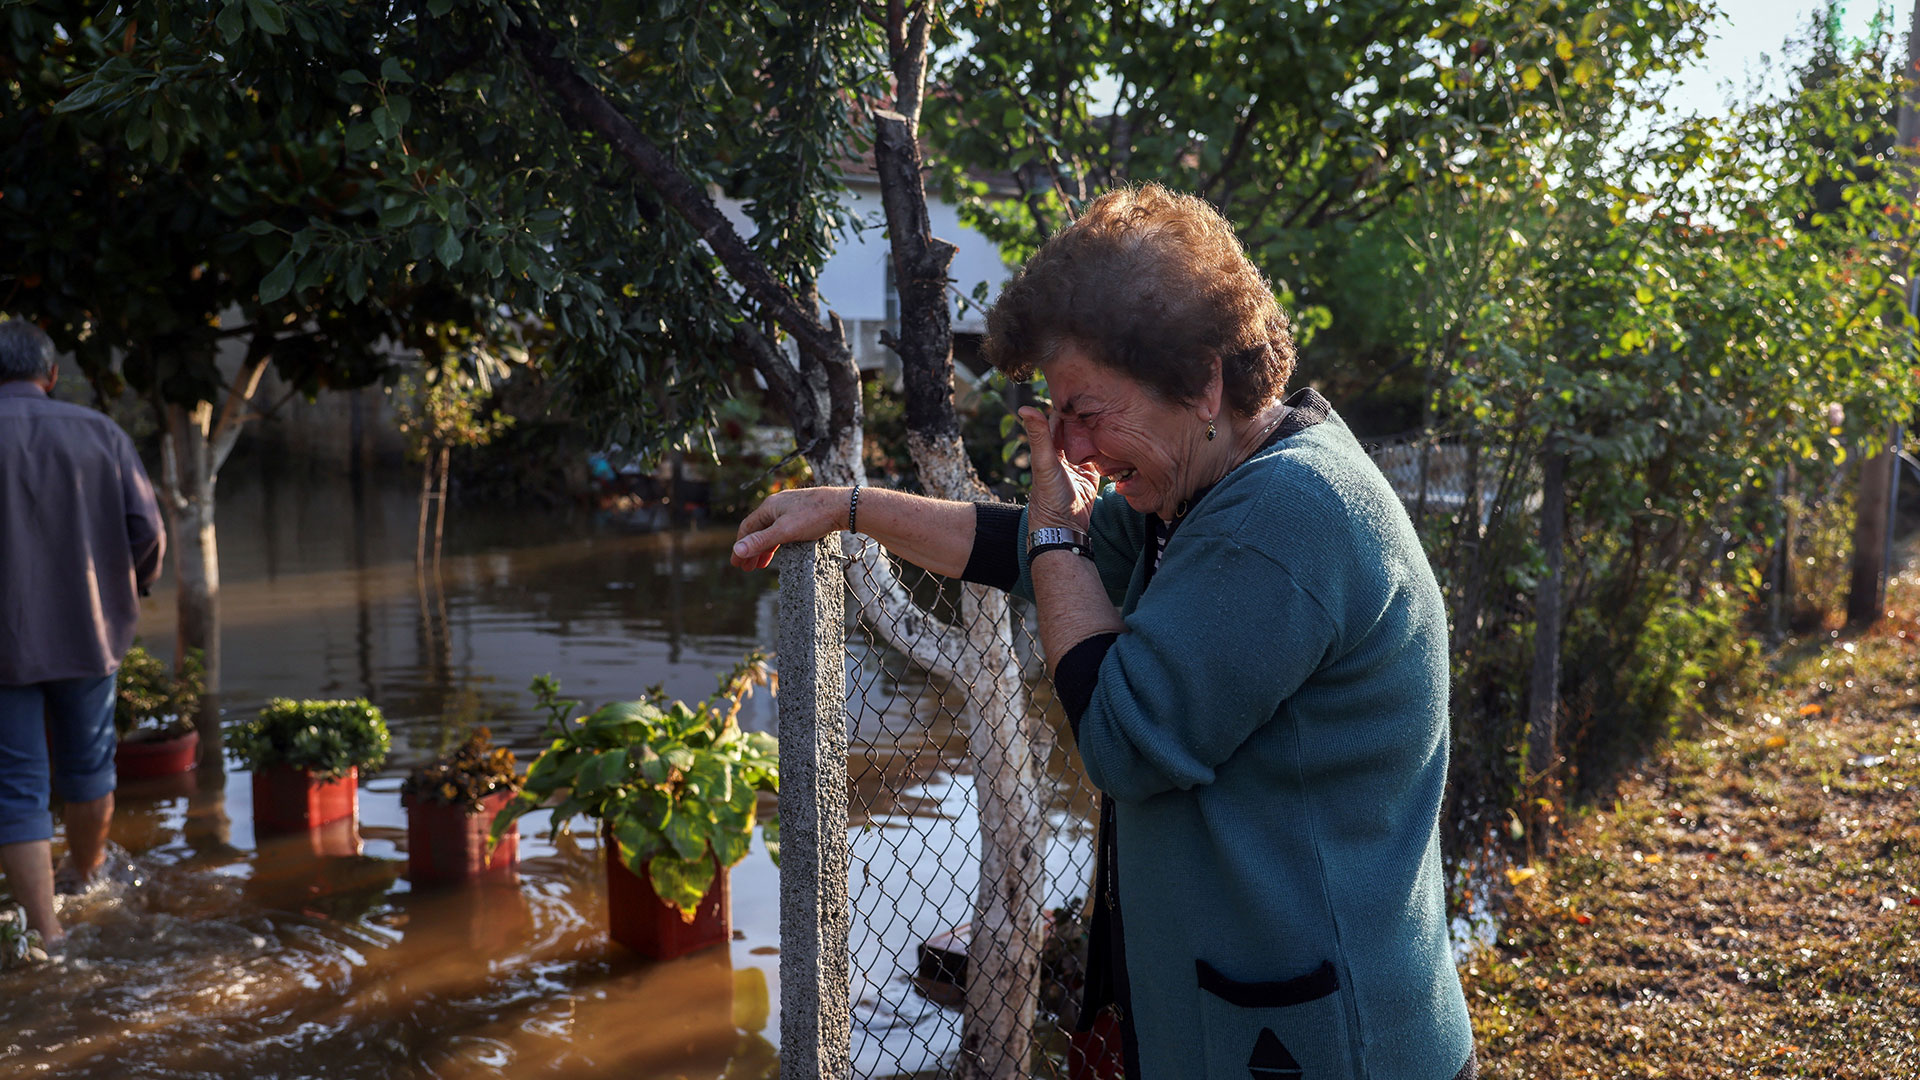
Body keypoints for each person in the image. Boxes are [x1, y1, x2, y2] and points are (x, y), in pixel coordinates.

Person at [731, 185, 1475, 1079]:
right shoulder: (1215, 486)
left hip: (1326, 1042)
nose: (1074, 448)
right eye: (1061, 418)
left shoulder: (1284, 514)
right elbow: (1018, 546)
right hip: (1260, 1018)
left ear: (1203, 379)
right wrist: (849, 507)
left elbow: (1123, 738)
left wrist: (1055, 534)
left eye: (1088, 411)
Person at [0, 317, 166, 946]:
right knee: (90, 765)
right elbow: (147, 534)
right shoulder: (102, 433)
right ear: (51, 375)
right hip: (88, 631)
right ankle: (82, 878)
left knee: (15, 783)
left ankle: (47, 934)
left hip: (3, 647)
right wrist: (132, 588)